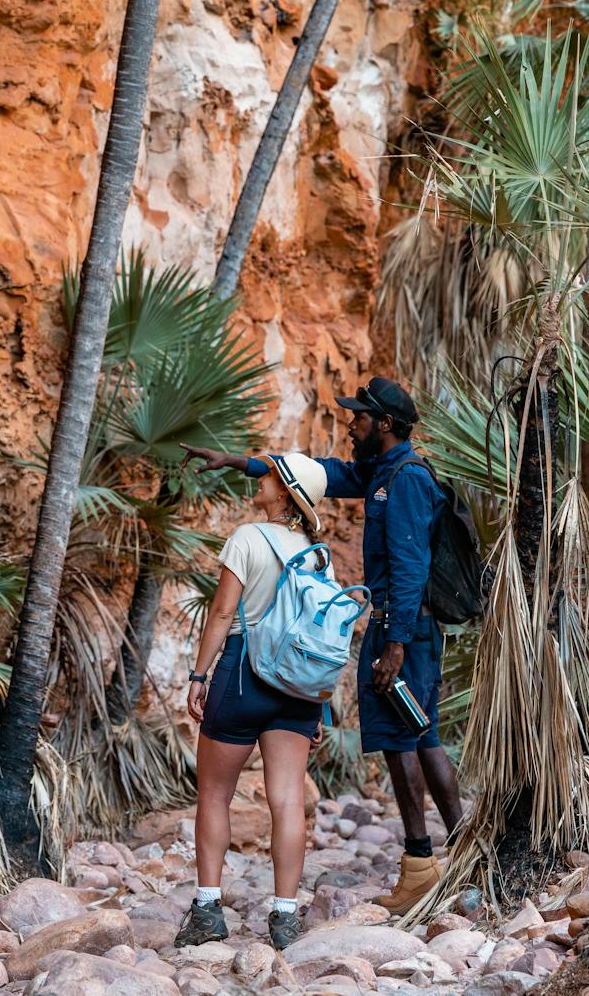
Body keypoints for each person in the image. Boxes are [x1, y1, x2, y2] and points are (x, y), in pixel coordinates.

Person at [182, 376, 463, 915]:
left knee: (411, 735)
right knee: (410, 732)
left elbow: (410, 566)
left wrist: (396, 645)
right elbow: (320, 476)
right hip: (392, 626)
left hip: (403, 628)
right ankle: (436, 860)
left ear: (384, 424)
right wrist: (238, 461)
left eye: (360, 416)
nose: (351, 422)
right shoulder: (379, 471)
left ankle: (444, 859)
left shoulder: (405, 478)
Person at [173, 452, 332, 953]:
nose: (258, 479)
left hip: (242, 675)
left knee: (215, 795)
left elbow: (222, 614)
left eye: (268, 475)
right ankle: (284, 917)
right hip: (297, 688)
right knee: (288, 802)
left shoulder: (248, 538)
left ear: (284, 492)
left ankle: (207, 910)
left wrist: (199, 675)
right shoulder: (319, 554)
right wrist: (320, 705)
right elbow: (321, 634)